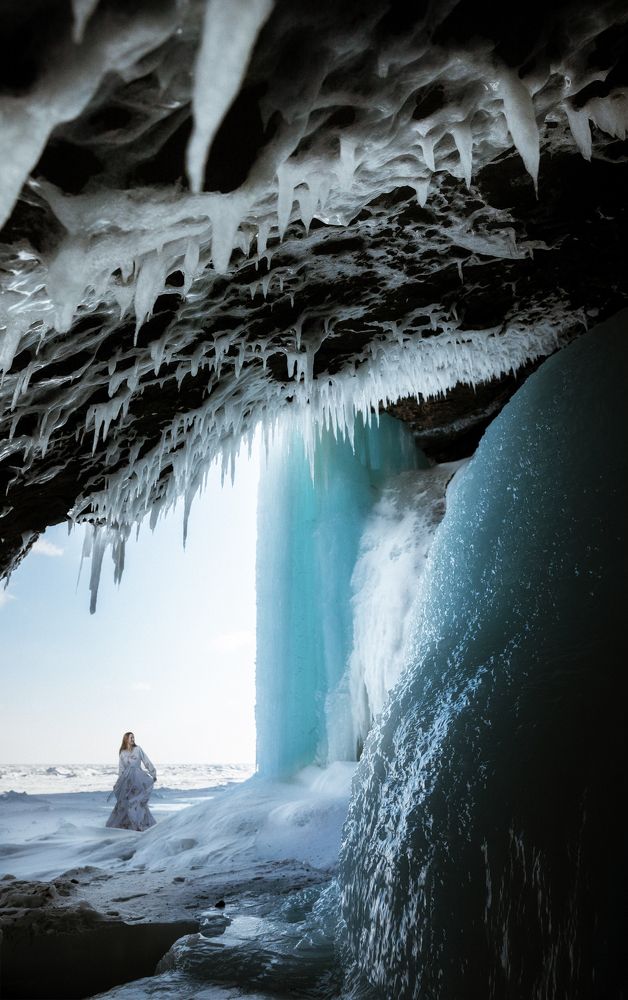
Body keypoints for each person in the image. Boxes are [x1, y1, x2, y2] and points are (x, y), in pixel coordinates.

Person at [105, 731, 157, 831]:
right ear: (126, 739)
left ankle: (140, 823)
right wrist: (119, 783)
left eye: (133, 737)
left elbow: (146, 761)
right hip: (127, 780)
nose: (133, 739)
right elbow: (121, 769)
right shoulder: (122, 753)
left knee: (137, 802)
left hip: (138, 778)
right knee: (125, 802)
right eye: (131, 738)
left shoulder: (138, 749)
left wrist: (153, 772)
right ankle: (127, 824)